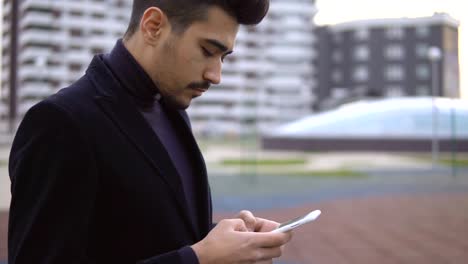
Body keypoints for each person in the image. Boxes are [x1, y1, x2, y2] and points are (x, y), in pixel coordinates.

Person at [8, 0, 293, 263]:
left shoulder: (172, 109)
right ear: (153, 26)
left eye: (223, 57)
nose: (215, 76)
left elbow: (154, 234)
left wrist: (230, 241)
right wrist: (198, 259)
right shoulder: (60, 122)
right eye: (207, 51)